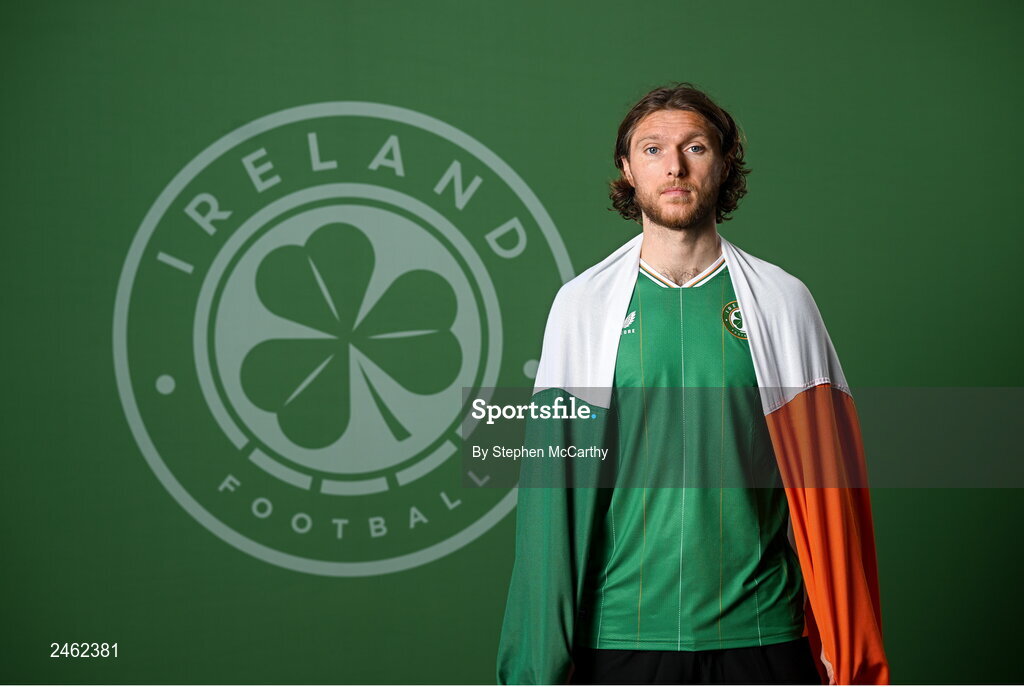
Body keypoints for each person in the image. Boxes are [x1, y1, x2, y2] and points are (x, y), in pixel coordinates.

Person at [496, 83, 890, 685]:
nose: (674, 165)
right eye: (652, 150)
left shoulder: (783, 302)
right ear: (627, 171)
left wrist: (850, 652)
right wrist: (534, 668)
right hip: (621, 637)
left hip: (762, 635)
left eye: (695, 147)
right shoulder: (581, 307)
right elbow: (551, 500)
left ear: (725, 162)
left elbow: (832, 491)